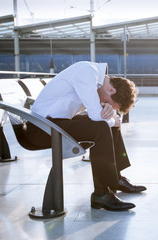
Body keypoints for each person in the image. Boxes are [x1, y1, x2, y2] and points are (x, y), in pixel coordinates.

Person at [26, 61, 146, 211]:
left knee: (108, 124)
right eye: (106, 101)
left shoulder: (95, 80)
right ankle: (101, 194)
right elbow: (97, 116)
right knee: (102, 127)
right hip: (40, 129)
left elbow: (96, 114)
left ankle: (116, 179)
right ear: (111, 90)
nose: (103, 103)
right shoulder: (87, 72)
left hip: (53, 123)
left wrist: (111, 118)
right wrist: (110, 119)